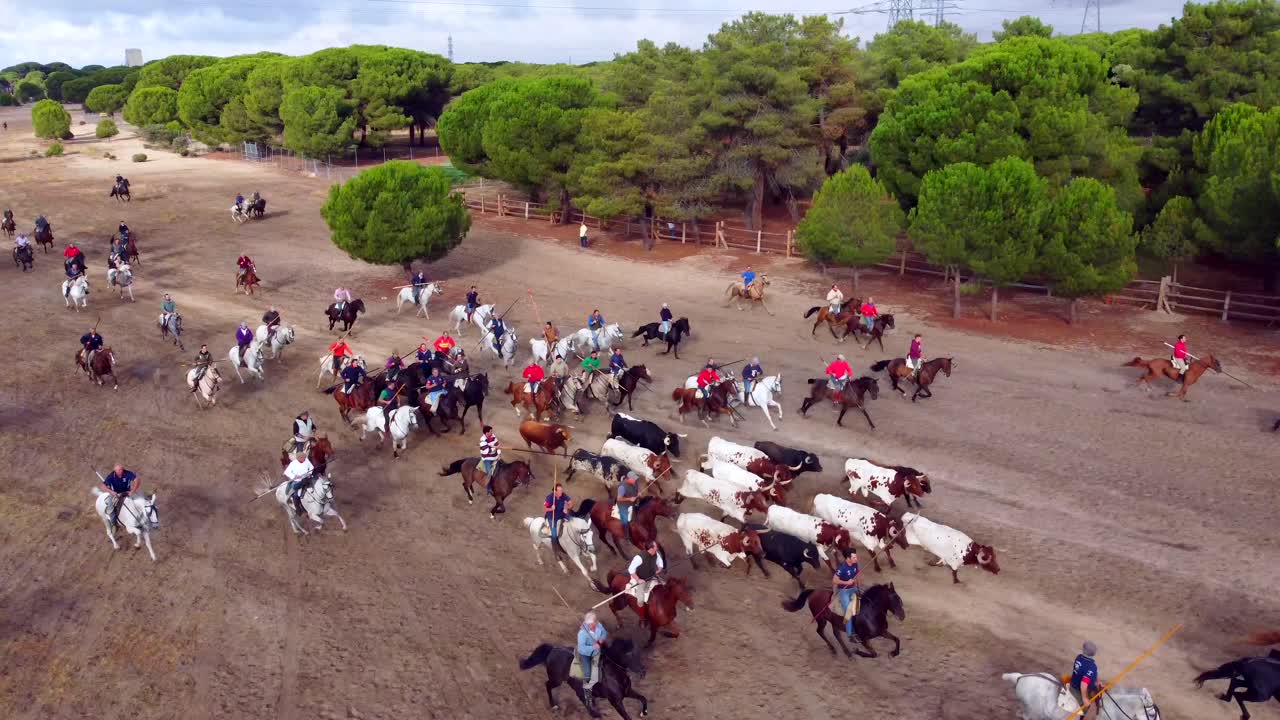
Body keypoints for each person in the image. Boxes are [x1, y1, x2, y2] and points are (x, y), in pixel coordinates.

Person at [576, 611, 608, 712]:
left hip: (597, 650)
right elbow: (581, 649)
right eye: (589, 624)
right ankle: (588, 698)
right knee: (588, 674)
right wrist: (593, 647)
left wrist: (601, 640)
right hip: (586, 655)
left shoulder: (599, 625)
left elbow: (604, 633)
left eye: (593, 624)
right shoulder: (582, 633)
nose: (591, 626)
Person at [833, 549, 861, 639]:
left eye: (856, 556)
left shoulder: (855, 564)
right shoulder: (842, 568)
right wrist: (846, 583)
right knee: (848, 610)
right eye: (854, 557)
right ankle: (850, 634)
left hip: (853, 588)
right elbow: (834, 580)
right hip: (844, 591)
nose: (856, 558)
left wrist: (856, 586)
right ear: (848, 558)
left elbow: (856, 576)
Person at [101, 463, 139, 528]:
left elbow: (137, 480)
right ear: (115, 471)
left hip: (127, 492)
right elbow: (102, 486)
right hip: (116, 494)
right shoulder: (111, 476)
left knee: (139, 500)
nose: (121, 471)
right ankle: (114, 523)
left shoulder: (127, 473)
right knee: (111, 508)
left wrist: (133, 491)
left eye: (122, 469)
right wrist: (111, 492)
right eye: (119, 470)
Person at [627, 540, 665, 605]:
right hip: (642, 578)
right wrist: (638, 580)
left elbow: (660, 562)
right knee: (640, 597)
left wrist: (659, 569)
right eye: (656, 546)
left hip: (652, 575)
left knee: (664, 585)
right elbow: (631, 569)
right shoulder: (639, 558)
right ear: (651, 549)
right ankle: (640, 604)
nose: (657, 547)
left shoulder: (656, 553)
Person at [1070, 641, 1100, 719]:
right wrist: (1084, 698)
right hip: (1078, 690)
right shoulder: (1092, 666)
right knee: (1087, 709)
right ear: (1093, 653)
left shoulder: (1079, 657)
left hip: (1074, 684)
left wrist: (1096, 682)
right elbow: (1084, 683)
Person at [282, 451, 315, 516]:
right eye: (303, 458)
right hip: (297, 480)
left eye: (305, 457)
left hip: (307, 477)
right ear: (298, 458)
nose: (305, 459)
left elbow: (311, 467)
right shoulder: (293, 464)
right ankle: (298, 508)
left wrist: (309, 473)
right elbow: (287, 472)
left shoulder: (306, 460)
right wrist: (294, 476)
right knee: (296, 494)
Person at [480, 425, 500, 494]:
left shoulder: (493, 436)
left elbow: (498, 444)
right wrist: (495, 447)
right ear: (486, 433)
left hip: (495, 457)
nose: (492, 433)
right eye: (491, 431)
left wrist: (499, 453)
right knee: (489, 474)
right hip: (487, 459)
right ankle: (489, 488)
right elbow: (486, 451)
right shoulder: (483, 441)